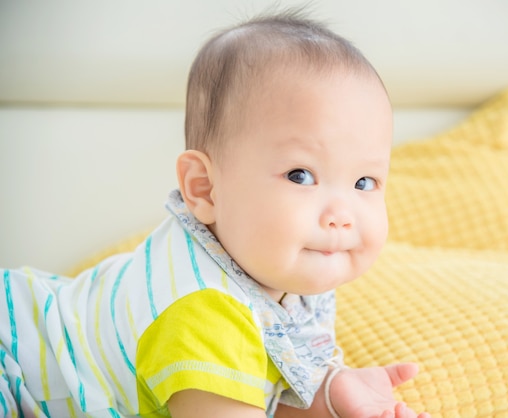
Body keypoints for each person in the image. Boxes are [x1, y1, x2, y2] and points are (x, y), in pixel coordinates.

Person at [0, 10, 430, 418]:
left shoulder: (277, 268)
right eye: (300, 175)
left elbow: (255, 381)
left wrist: (328, 392)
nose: (342, 214)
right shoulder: (203, 310)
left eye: (364, 183)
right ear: (204, 187)